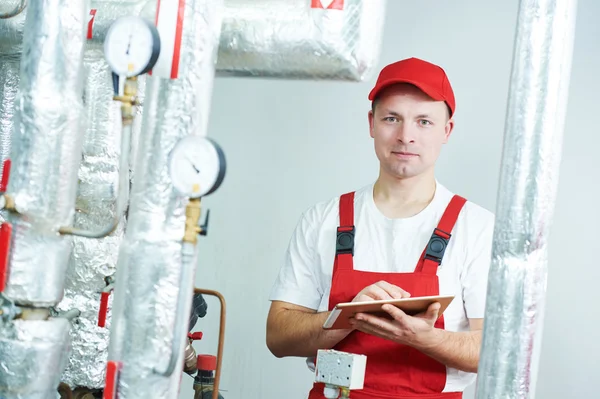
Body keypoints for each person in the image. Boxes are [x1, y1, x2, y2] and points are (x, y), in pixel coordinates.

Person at [266, 57, 495, 398]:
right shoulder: (323, 218)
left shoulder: (475, 227)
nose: (406, 136)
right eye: (392, 119)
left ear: (446, 131)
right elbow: (278, 337)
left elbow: (494, 351)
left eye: (424, 122)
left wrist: (423, 338)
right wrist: (346, 317)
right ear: (372, 123)